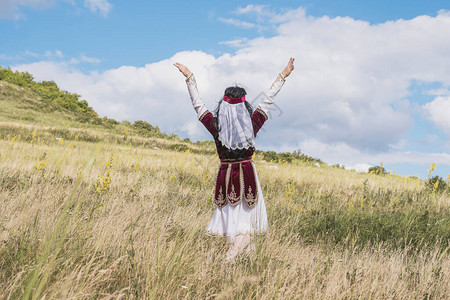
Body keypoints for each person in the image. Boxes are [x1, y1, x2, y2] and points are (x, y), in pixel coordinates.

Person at [174, 58, 295, 261]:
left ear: (224, 105)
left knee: (234, 222)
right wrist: (282, 76)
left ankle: (247, 266)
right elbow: (268, 99)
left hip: (225, 176)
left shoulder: (215, 126)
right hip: (247, 175)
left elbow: (198, 105)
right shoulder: (252, 123)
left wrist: (190, 78)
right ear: (243, 105)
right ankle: (228, 262)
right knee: (246, 225)